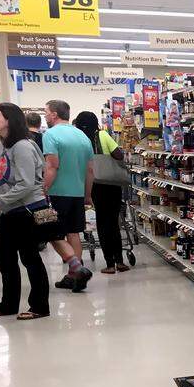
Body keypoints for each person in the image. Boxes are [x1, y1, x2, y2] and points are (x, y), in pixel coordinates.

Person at [0, 103, 50, 319]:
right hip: (11, 211)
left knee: (30, 258)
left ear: (9, 120)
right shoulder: (3, 145)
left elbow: (26, 184)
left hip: (28, 210)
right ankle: (8, 304)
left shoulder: (23, 146)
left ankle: (39, 307)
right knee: (6, 259)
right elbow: (6, 177)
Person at [42, 99, 93, 291]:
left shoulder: (50, 134)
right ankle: (74, 277)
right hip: (78, 193)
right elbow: (90, 170)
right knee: (73, 232)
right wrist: (87, 195)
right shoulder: (82, 136)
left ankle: (77, 269)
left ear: (54, 114)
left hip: (56, 193)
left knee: (50, 232)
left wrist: (43, 188)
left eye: (46, 112)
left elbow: (52, 166)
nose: (45, 116)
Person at [73, 111, 129, 274]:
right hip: (112, 184)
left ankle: (109, 264)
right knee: (114, 222)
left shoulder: (79, 139)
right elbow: (118, 154)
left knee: (102, 224)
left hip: (93, 185)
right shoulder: (103, 135)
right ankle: (120, 262)